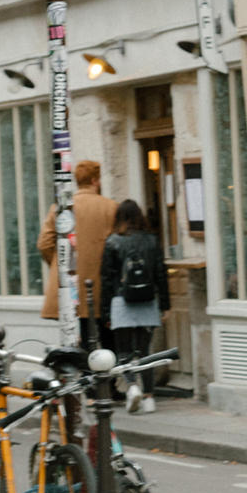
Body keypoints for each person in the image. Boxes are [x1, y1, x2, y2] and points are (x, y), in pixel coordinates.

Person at [37, 160, 118, 349]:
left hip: (69, 285)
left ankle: (84, 376)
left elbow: (44, 244)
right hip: (100, 284)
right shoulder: (111, 207)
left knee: (76, 341)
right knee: (107, 339)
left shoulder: (61, 207)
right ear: (95, 180)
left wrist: (60, 265)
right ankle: (106, 377)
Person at [100, 199, 169, 413]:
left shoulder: (112, 241)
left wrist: (105, 311)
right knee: (145, 352)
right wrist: (165, 304)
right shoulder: (152, 240)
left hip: (121, 301)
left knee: (124, 351)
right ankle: (149, 397)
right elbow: (161, 273)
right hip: (147, 301)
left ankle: (131, 387)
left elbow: (106, 279)